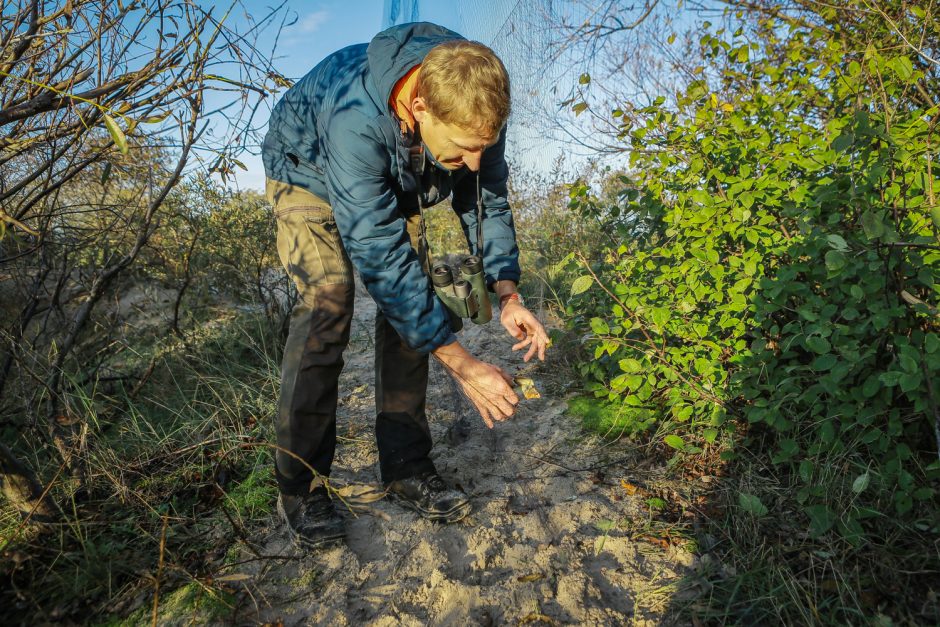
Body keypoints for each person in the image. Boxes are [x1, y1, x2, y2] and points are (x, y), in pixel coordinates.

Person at [261, 21, 549, 550]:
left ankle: (405, 466)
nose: (475, 162)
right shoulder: (355, 120)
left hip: (397, 171)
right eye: (462, 149)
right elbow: (378, 253)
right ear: (420, 108)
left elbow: (488, 200)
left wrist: (508, 293)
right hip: (307, 169)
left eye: (484, 145)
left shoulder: (475, 102)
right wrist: (462, 365)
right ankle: (301, 485)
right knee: (327, 307)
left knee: (411, 302)